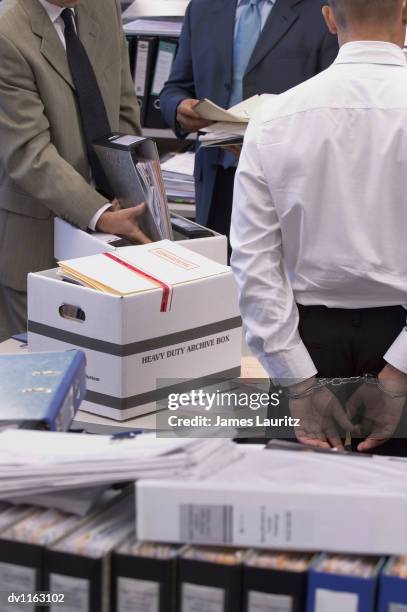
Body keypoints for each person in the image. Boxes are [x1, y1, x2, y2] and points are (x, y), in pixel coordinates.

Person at [231, 0, 407, 454]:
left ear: (329, 18)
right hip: (399, 337)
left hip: (306, 343)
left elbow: (253, 261)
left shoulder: (273, 117)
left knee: (303, 513)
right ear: (406, 13)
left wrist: (298, 381)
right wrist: (400, 369)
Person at [0, 0, 148, 342]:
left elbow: (124, 105)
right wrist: (99, 214)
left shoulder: (103, 7)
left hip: (112, 230)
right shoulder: (9, 34)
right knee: (46, 370)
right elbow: (29, 153)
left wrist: (137, 188)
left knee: (110, 368)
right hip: (37, 243)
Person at [160, 0, 339, 239]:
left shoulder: (322, 10)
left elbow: (331, 106)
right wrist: (179, 108)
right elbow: (174, 89)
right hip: (215, 179)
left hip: (284, 183)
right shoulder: (202, 8)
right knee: (216, 269)